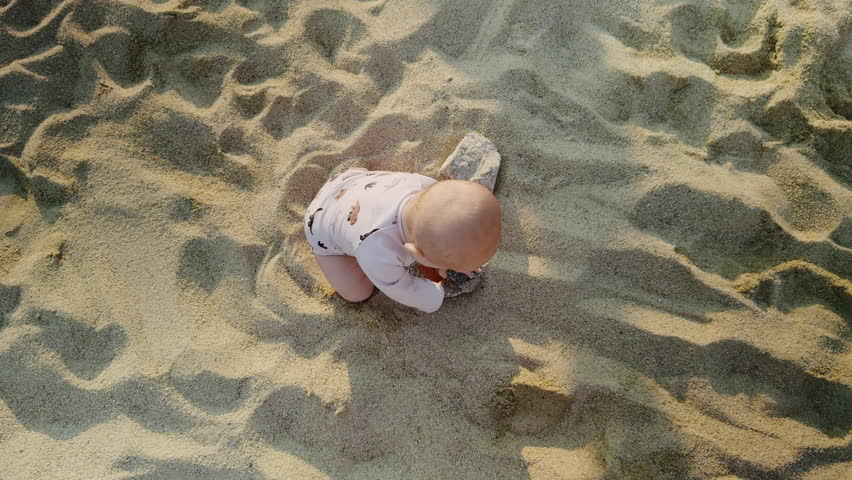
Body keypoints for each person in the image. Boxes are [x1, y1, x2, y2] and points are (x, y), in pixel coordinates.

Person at [304, 168, 501, 312]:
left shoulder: (424, 186)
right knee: (357, 293)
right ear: (415, 252)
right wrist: (436, 293)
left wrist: (454, 259)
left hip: (350, 179)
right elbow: (404, 289)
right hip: (320, 224)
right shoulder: (378, 252)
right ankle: (338, 255)